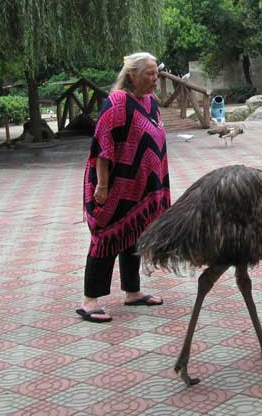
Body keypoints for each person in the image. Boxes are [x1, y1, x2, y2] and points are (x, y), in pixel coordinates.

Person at [76, 52, 170, 323]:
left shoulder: (150, 102)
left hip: (143, 187)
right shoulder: (117, 102)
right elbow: (103, 147)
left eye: (156, 73)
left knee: (134, 235)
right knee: (106, 237)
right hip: (114, 185)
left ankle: (132, 291)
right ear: (132, 75)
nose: (155, 78)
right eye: (150, 74)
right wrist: (103, 186)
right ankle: (90, 300)